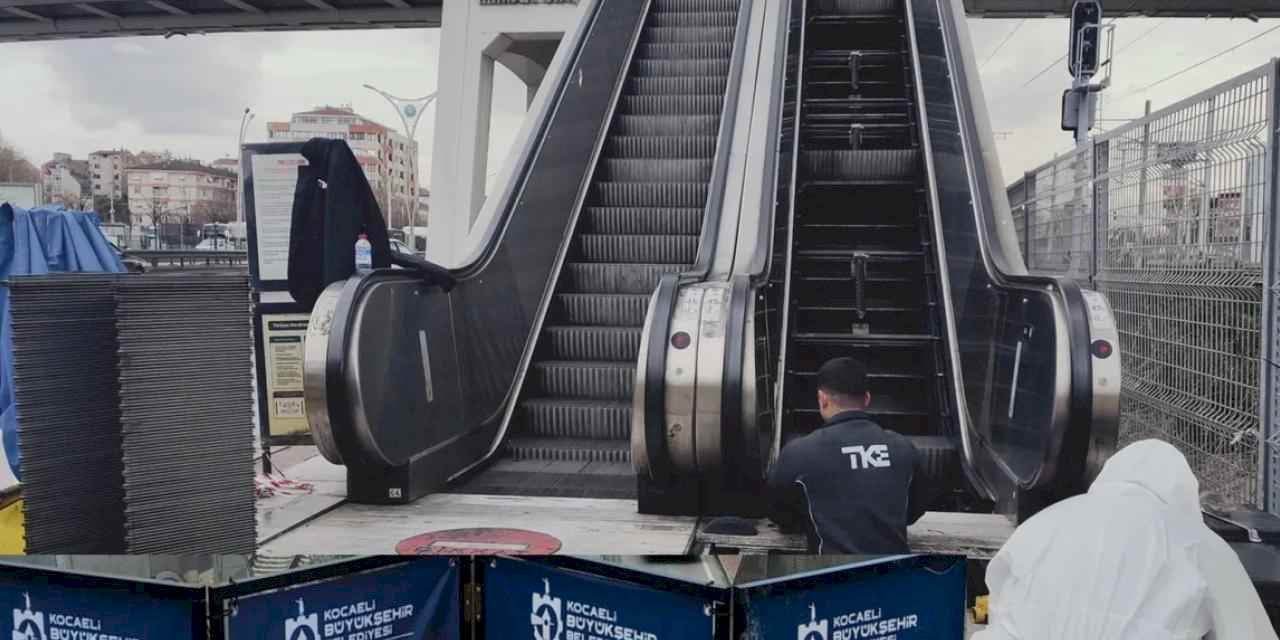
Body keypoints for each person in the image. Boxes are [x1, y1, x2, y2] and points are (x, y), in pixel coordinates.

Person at [975, 439, 1277, 640]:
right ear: (1183, 494)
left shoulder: (1042, 524)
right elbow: (1249, 631)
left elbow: (1000, 600)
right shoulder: (1200, 545)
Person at [768, 357, 936, 554]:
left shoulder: (798, 453)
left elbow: (779, 514)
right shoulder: (903, 448)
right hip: (895, 578)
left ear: (822, 399)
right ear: (866, 399)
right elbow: (915, 510)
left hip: (832, 580)